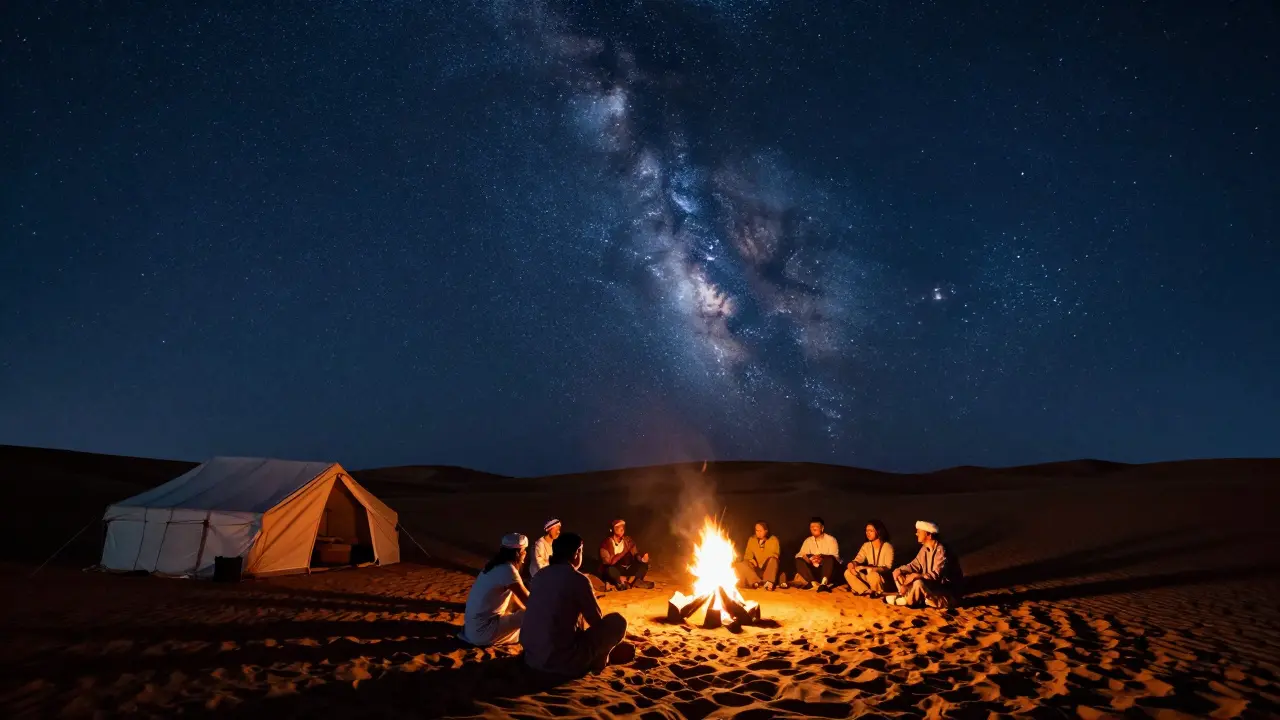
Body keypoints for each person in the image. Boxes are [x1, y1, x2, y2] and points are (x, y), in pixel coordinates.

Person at [523, 532, 633, 676]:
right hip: (561, 662)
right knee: (617, 621)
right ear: (577, 553)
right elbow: (596, 621)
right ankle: (600, 660)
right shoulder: (578, 579)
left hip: (531, 658)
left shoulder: (539, 576)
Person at [459, 533, 530, 646]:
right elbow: (530, 601)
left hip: (473, 629)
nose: (525, 554)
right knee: (534, 616)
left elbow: (515, 597)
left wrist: (523, 610)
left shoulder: (493, 565)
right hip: (484, 632)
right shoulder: (508, 570)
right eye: (524, 550)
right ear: (519, 553)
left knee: (524, 613)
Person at [885, 520, 964, 608]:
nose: (916, 534)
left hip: (945, 591)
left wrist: (917, 576)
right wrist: (900, 570)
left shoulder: (941, 550)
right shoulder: (925, 549)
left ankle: (908, 600)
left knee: (918, 582)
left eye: (919, 532)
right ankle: (908, 595)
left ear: (928, 535)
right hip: (932, 586)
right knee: (900, 573)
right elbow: (914, 565)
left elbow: (936, 575)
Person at [598, 518, 654, 590]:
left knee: (643, 565)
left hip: (627, 568)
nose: (622, 529)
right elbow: (609, 562)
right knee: (609, 570)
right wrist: (624, 551)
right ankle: (620, 582)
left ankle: (635, 581)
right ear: (612, 529)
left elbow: (635, 554)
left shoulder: (627, 540)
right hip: (615, 570)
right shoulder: (606, 543)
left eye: (622, 526)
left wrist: (642, 559)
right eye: (618, 527)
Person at [843, 519, 895, 597]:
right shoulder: (866, 546)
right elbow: (858, 559)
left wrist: (871, 568)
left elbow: (888, 567)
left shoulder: (888, 547)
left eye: (871, 531)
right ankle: (865, 591)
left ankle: (877, 593)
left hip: (881, 579)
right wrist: (852, 564)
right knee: (848, 572)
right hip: (869, 576)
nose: (868, 533)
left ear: (878, 531)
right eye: (866, 531)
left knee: (873, 575)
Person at [789, 516, 839, 592]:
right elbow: (799, 554)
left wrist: (821, 558)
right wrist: (807, 558)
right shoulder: (808, 541)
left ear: (822, 528)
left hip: (827, 571)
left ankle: (823, 584)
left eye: (816, 526)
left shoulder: (831, 540)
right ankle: (813, 583)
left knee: (830, 558)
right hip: (814, 570)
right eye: (811, 527)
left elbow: (836, 557)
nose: (813, 528)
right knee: (798, 560)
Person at [735, 521, 780, 590]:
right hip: (756, 568)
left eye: (760, 531)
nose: (758, 532)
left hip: (767, 567)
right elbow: (747, 555)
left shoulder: (773, 540)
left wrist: (763, 561)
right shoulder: (752, 540)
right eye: (756, 530)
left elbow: (775, 554)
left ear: (766, 531)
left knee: (773, 560)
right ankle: (755, 582)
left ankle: (768, 582)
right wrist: (750, 559)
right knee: (742, 564)